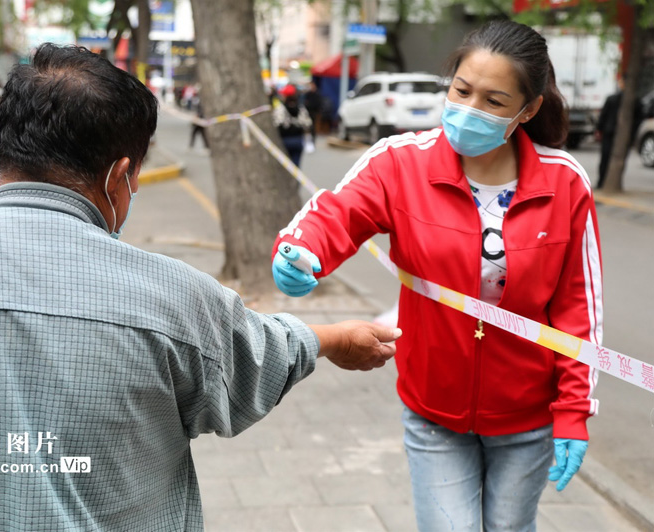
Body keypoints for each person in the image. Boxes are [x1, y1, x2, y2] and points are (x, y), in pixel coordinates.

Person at [0, 44, 401, 530]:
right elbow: (255, 358)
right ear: (119, 176)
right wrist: (332, 339)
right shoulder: (172, 295)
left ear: (2, 155)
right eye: (135, 176)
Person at [272, 20, 603, 531]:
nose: (469, 110)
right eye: (461, 90)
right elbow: (337, 213)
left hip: (528, 418)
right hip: (434, 413)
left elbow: (578, 308)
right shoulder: (401, 162)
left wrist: (573, 410)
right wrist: (300, 251)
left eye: (494, 102)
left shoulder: (565, 184)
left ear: (528, 109)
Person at [595, 76, 643, 189]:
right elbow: (604, 116)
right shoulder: (622, 100)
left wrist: (599, 129)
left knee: (606, 159)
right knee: (606, 159)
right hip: (611, 133)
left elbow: (603, 116)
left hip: (612, 133)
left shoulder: (632, 101)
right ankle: (602, 182)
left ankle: (602, 182)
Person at [273, 84, 313, 168]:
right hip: (298, 139)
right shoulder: (301, 108)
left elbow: (276, 123)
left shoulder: (280, 108)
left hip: (285, 139)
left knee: (285, 166)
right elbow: (308, 123)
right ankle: (295, 180)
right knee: (296, 165)